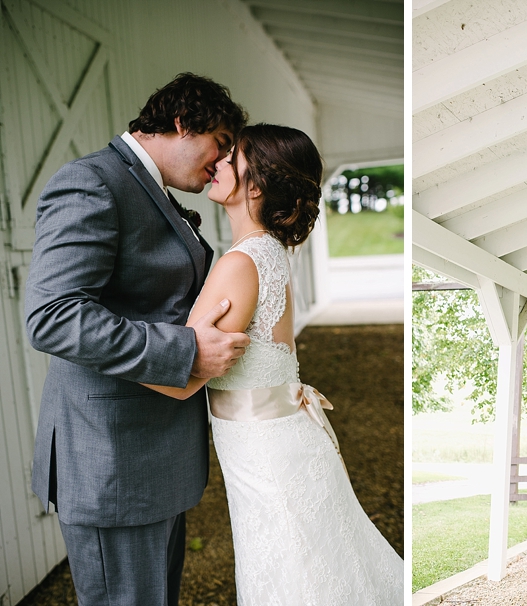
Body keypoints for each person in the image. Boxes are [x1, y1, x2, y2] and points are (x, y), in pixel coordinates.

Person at [145, 123, 404, 604]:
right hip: (283, 445)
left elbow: (180, 379)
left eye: (230, 158)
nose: (217, 162)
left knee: (293, 578)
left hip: (269, 460)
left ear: (257, 184)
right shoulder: (271, 252)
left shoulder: (239, 264)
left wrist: (92, 353)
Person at [25, 73, 250, 605]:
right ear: (180, 122)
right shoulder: (93, 182)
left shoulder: (152, 189)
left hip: (150, 453)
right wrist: (187, 351)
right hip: (111, 458)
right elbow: (53, 315)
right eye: (219, 143)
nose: (222, 163)